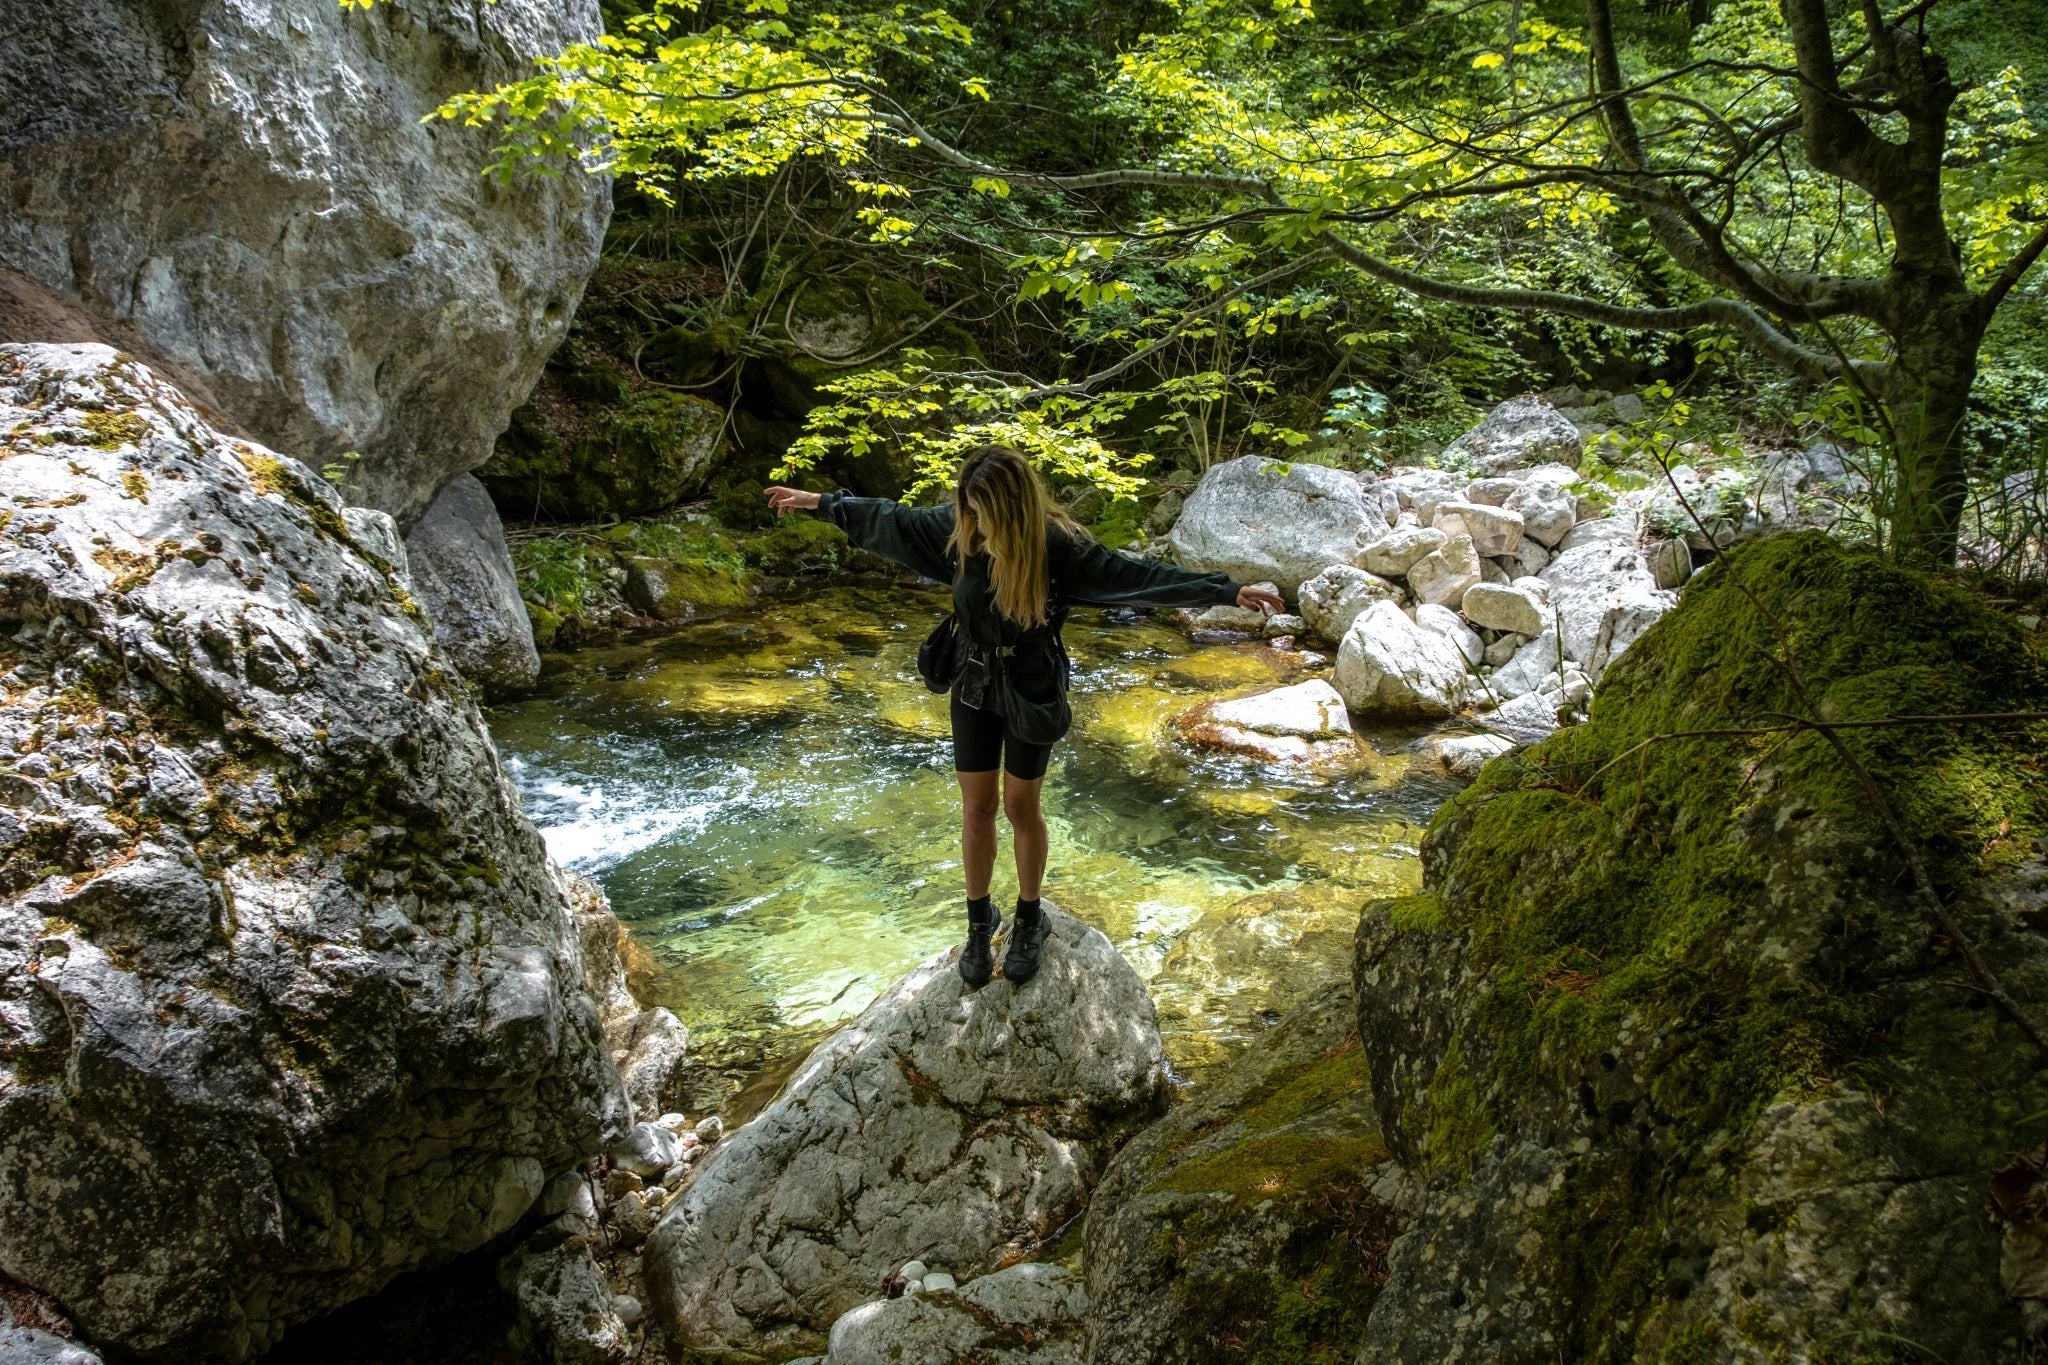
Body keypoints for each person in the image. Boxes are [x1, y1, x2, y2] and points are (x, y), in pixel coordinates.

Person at [767, 445, 1284, 988]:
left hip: (1032, 685)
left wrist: (1222, 589)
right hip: (972, 679)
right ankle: (977, 920)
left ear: (1010, 508)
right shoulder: (958, 530)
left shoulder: (1056, 544)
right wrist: (821, 503)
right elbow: (891, 518)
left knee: (1020, 804)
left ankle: (1030, 915)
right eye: (968, 506)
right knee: (977, 807)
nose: (974, 520)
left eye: (983, 510)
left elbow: (1131, 573)